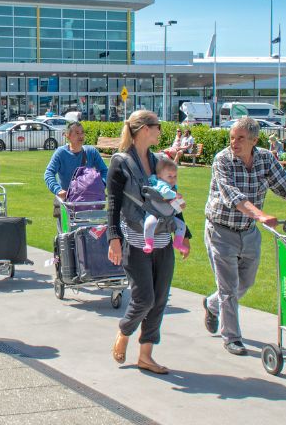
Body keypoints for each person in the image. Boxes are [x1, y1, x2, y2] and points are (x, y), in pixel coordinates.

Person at [203, 116, 286, 356]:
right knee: (228, 288)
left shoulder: (265, 159)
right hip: (221, 230)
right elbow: (233, 196)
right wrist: (260, 215)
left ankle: (211, 304)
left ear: (254, 140)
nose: (234, 143)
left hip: (248, 232)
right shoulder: (222, 160)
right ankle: (232, 338)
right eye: (231, 137)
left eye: (240, 138)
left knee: (245, 283)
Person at [107, 110, 188, 375]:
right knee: (144, 298)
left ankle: (146, 355)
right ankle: (124, 331)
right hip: (135, 239)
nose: (160, 131)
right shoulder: (121, 162)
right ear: (144, 129)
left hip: (163, 239)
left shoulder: (158, 161)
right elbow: (113, 203)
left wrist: (184, 233)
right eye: (157, 126)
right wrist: (113, 238)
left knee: (160, 298)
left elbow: (169, 197)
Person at [43, 121, 108, 222]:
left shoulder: (91, 152)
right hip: (67, 205)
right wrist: (57, 190)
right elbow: (48, 173)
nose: (81, 135)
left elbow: (105, 171)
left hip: (88, 204)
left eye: (82, 132)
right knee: (65, 236)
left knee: (89, 235)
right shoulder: (61, 153)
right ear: (68, 136)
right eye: (77, 133)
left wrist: (101, 184)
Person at [142, 155, 188, 256]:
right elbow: (166, 193)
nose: (173, 179)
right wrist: (176, 195)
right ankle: (149, 244)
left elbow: (174, 205)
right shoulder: (161, 184)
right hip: (155, 213)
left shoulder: (172, 187)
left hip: (168, 215)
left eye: (175, 176)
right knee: (149, 224)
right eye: (169, 176)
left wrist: (181, 205)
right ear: (159, 176)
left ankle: (178, 242)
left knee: (181, 225)